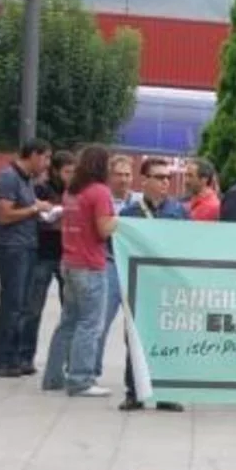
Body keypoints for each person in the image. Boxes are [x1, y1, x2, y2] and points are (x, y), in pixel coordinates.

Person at [43, 145, 116, 397]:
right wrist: (119, 220)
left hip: (70, 262)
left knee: (68, 322)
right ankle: (80, 380)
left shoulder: (72, 192)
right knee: (89, 324)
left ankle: (53, 377)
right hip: (91, 265)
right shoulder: (100, 192)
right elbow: (103, 230)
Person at [118, 158, 188, 412]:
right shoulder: (129, 214)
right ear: (144, 180)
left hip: (168, 285)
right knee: (135, 336)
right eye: (159, 177)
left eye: (168, 177)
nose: (165, 182)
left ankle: (166, 393)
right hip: (139, 284)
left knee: (169, 336)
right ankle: (134, 392)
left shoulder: (178, 211)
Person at [0, 139, 52, 378]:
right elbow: (4, 215)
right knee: (12, 304)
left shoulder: (27, 180)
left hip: (27, 246)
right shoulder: (8, 177)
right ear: (33, 155)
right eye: (46, 158)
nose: (47, 164)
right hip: (12, 248)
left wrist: (39, 208)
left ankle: (9, 357)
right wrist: (34, 209)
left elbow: (24, 207)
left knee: (20, 305)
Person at [20, 150, 75, 375]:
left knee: (70, 310)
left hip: (66, 255)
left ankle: (71, 360)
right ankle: (25, 357)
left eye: (74, 172)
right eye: (67, 172)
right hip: (43, 254)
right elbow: (37, 218)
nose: (71, 176)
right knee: (33, 309)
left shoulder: (75, 192)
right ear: (56, 171)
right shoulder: (41, 189)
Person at [93, 155, 140, 380]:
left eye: (127, 175)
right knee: (100, 321)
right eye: (118, 174)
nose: (123, 179)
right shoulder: (103, 200)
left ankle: (137, 374)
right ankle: (91, 371)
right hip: (110, 264)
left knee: (137, 326)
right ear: (109, 176)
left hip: (134, 267)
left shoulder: (139, 203)